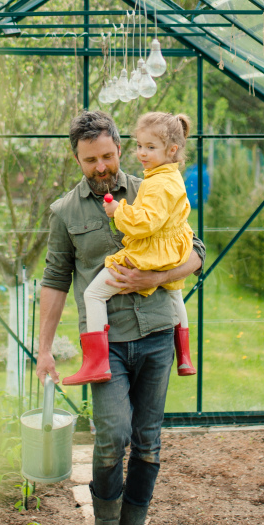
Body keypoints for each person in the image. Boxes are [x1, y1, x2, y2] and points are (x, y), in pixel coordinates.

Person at [36, 110, 205, 525]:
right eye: (90, 160)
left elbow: (195, 250)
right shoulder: (65, 213)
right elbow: (55, 281)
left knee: (148, 441)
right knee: (112, 438)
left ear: (118, 147)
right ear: (77, 159)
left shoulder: (153, 187)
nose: (101, 167)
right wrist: (44, 350)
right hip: (107, 344)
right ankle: (106, 522)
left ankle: (135, 520)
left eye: (108, 156)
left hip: (157, 332)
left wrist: (159, 274)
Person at [62, 111, 197, 384]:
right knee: (175, 293)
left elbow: (147, 222)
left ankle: (96, 362)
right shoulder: (169, 176)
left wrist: (117, 211)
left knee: (94, 294)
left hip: (149, 253)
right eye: (140, 146)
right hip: (172, 249)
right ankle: (184, 355)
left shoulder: (156, 183)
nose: (142, 153)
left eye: (150, 147)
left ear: (172, 149)